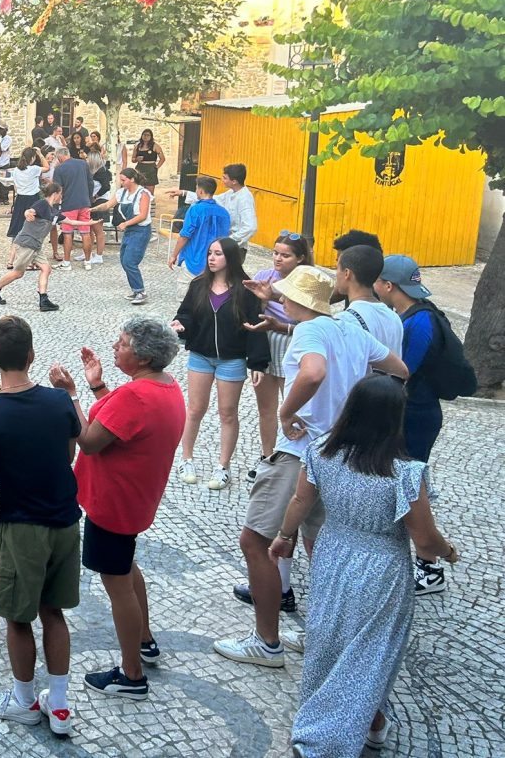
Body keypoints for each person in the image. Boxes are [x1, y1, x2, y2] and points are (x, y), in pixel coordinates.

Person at [215, 266, 407, 669]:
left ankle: (266, 642)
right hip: (340, 453)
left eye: (285, 294)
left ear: (297, 300)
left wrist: (287, 413)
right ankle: (321, 633)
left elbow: (314, 372)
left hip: (301, 451)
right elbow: (398, 370)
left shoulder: (308, 332)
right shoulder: (350, 329)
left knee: (256, 541)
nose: (281, 299)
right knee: (318, 545)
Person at [271, 375, 460, 757]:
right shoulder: (405, 472)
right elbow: (424, 539)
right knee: (371, 652)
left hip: (331, 557)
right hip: (382, 569)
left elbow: (300, 501)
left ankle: (370, 723)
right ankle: (327, 741)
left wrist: (284, 536)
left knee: (328, 641)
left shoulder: (321, 451)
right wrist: (449, 551)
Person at [0, 316, 82, 737]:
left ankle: (24, 700)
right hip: (64, 521)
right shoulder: (60, 402)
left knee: (16, 617)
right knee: (54, 612)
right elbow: (68, 456)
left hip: (20, 526)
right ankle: (59, 706)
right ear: (31, 355)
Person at [49, 317, 183, 700]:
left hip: (114, 502)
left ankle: (132, 675)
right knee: (125, 567)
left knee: (117, 584)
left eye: (122, 343)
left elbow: (90, 440)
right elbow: (122, 423)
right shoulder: (166, 386)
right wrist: (96, 386)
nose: (114, 346)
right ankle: (145, 640)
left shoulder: (135, 395)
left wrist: (69, 396)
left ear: (142, 356)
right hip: (136, 499)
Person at [376, 254, 462, 596]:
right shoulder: (410, 315)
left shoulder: (420, 322)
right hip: (411, 412)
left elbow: (404, 371)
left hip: (417, 416)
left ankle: (430, 569)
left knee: (412, 491)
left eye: (377, 282)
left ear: (388, 285)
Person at [171, 238, 269, 489]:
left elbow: (256, 326)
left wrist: (258, 363)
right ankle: (186, 459)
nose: (211, 258)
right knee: (195, 409)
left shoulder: (246, 291)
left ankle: (223, 466)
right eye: (210, 253)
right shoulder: (198, 285)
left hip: (232, 360)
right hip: (200, 356)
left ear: (231, 258)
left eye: (218, 254)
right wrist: (181, 325)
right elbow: (186, 314)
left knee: (228, 413)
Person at [246, 232, 313, 474]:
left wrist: (281, 324)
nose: (278, 258)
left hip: (293, 341)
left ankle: (295, 460)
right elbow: (252, 312)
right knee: (266, 408)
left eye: (285, 255)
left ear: (300, 258)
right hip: (265, 343)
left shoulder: (308, 281)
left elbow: (310, 320)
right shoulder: (263, 276)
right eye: (275, 253)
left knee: (294, 407)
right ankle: (267, 457)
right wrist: (261, 304)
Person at [0, 182, 62, 312]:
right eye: (60, 194)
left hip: (36, 246)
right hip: (26, 243)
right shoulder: (42, 204)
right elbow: (30, 210)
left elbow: (68, 221)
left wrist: (88, 222)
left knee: (46, 268)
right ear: (55, 194)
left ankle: (43, 300)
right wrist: (27, 213)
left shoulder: (53, 210)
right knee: (18, 273)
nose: (61, 196)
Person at [87, 168, 153, 305]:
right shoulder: (121, 193)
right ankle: (135, 290)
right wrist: (94, 209)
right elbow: (107, 205)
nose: (121, 183)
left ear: (132, 179)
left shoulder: (143, 193)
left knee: (130, 261)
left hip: (141, 230)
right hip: (129, 230)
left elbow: (143, 215)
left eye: (123, 180)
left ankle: (140, 291)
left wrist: (125, 223)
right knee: (124, 260)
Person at [333, 245, 404, 355]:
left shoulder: (345, 321)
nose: (336, 274)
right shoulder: (394, 317)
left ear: (347, 273)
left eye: (337, 268)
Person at [166, 176, 230, 277]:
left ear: (200, 191)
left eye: (196, 189)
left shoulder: (195, 209)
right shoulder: (224, 212)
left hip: (193, 261)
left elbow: (184, 236)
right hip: (215, 265)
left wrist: (174, 255)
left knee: (187, 286)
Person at [51, 147, 94, 271]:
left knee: (68, 233)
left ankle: (66, 262)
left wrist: (55, 205)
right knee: (85, 232)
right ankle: (88, 261)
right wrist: (89, 199)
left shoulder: (59, 169)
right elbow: (90, 183)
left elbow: (57, 190)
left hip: (69, 204)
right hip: (84, 203)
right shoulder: (83, 164)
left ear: (59, 157)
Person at [2, 147, 49, 253]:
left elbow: (15, 186)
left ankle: (14, 251)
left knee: (18, 225)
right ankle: (31, 250)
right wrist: (40, 154)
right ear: (32, 158)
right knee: (33, 225)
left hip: (20, 198)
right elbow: (47, 167)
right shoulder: (33, 169)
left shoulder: (16, 170)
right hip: (32, 198)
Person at [126, 129, 164, 193]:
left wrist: (156, 167)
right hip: (140, 168)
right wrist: (137, 159)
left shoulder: (155, 146)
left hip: (150, 169)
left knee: (150, 190)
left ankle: (149, 199)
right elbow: (133, 159)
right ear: (142, 136)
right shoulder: (137, 146)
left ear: (151, 137)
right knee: (138, 188)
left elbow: (162, 158)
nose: (146, 136)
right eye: (144, 135)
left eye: (148, 135)